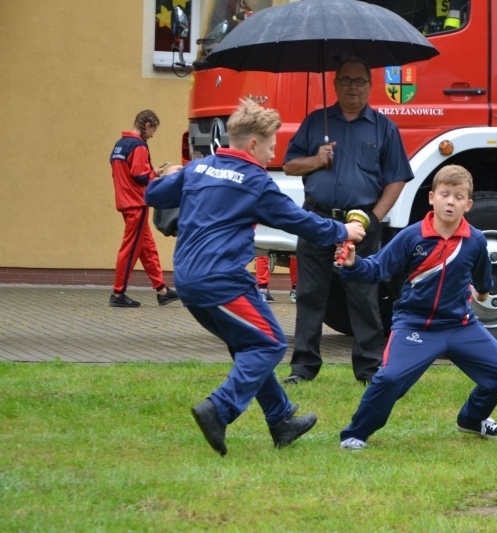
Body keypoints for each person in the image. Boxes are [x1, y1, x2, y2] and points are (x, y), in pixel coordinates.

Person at [145, 100, 366, 456]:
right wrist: (344, 229)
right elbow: (301, 221)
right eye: (271, 145)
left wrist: (171, 175)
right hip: (222, 280)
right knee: (269, 344)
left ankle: (281, 420)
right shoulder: (254, 181)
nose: (274, 153)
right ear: (252, 146)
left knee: (248, 345)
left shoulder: (200, 167)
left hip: (188, 278)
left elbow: (153, 195)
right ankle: (219, 409)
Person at [337, 165, 497, 450]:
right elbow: (376, 269)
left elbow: (483, 279)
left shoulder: (475, 240)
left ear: (468, 204)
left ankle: (473, 418)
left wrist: (482, 292)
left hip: (461, 326)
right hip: (415, 324)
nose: (450, 201)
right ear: (432, 197)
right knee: (390, 378)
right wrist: (352, 265)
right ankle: (355, 434)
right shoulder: (412, 236)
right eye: (445, 194)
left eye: (458, 197)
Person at [282, 57, 413, 385]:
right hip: (316, 220)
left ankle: (369, 370)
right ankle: (303, 369)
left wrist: (374, 218)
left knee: (363, 296)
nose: (353, 87)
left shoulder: (384, 128)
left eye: (359, 81)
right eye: (346, 81)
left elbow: (397, 178)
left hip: (359, 225)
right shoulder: (316, 122)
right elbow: (289, 165)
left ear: (370, 86)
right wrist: (316, 159)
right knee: (311, 294)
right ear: (335, 84)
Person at [109, 110, 180, 308]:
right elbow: (140, 175)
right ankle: (117, 293)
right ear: (147, 124)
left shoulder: (119, 145)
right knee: (130, 249)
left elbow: (122, 171)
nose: (153, 135)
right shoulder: (139, 145)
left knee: (147, 247)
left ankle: (162, 291)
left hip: (125, 200)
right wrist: (155, 173)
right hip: (136, 203)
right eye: (153, 130)